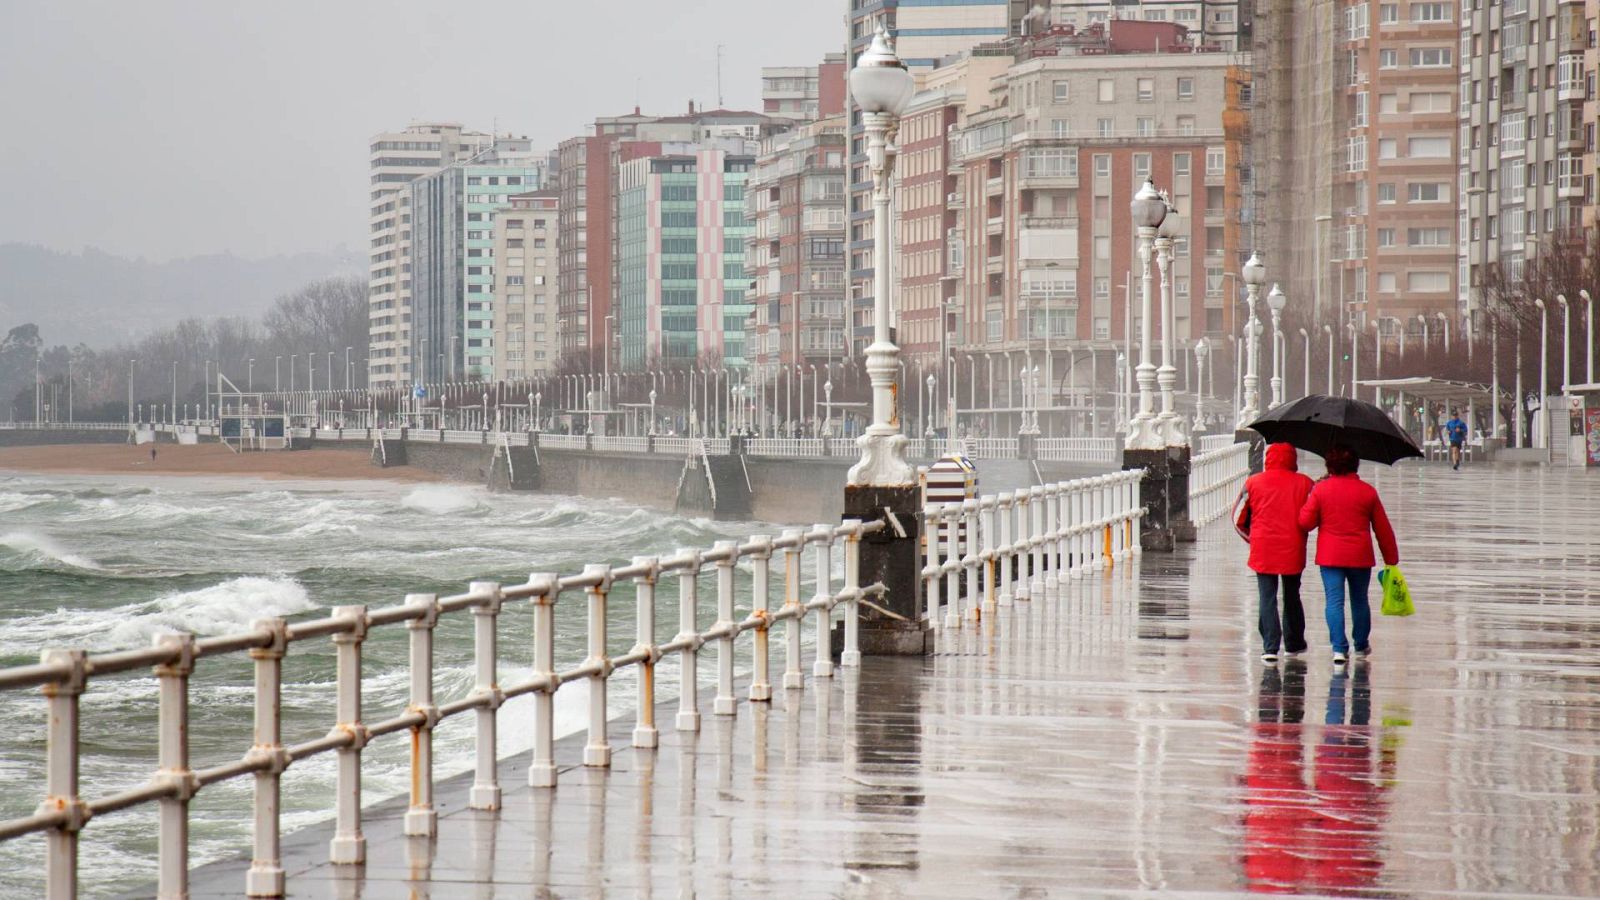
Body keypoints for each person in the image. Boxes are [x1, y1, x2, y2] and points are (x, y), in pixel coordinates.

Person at [1298, 445, 1400, 666]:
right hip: (1360, 556)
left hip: (1330, 556)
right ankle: (1361, 644)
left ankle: (1339, 649)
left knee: (1334, 601)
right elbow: (1382, 529)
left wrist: (1313, 494)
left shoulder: (1321, 490)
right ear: (1355, 464)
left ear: (1330, 466)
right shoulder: (1367, 491)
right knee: (1360, 600)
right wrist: (1391, 558)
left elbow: (1305, 523)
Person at [1240, 443, 1315, 663]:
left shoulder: (1253, 482)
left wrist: (1251, 538)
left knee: (1267, 596)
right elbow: (1311, 517)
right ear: (1293, 459)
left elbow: (1241, 516)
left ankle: (1270, 647)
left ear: (1268, 458)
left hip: (1263, 547)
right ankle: (1293, 643)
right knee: (1292, 595)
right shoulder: (1305, 483)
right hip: (1293, 546)